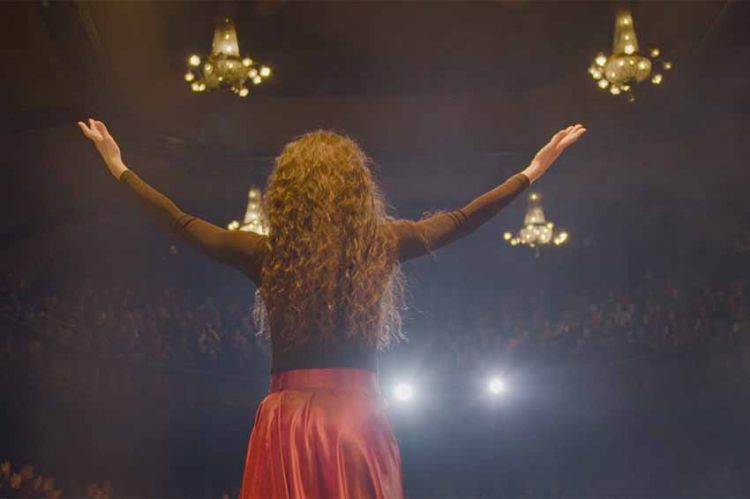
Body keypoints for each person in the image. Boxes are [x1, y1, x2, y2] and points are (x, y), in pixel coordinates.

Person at [78, 118, 585, 498]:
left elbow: (181, 223)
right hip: (357, 416)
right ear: (356, 190)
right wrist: (530, 172)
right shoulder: (381, 243)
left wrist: (119, 168)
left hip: (286, 420)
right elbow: (461, 219)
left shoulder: (268, 254)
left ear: (286, 195)